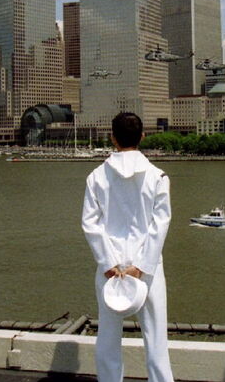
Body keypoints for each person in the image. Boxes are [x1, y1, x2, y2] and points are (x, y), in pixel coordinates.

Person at [82, 112, 174, 382]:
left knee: (108, 338)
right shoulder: (158, 176)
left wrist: (108, 263)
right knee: (156, 340)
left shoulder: (96, 177)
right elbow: (160, 224)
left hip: (110, 268)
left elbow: (90, 224)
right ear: (142, 136)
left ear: (113, 138)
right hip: (148, 268)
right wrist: (142, 265)